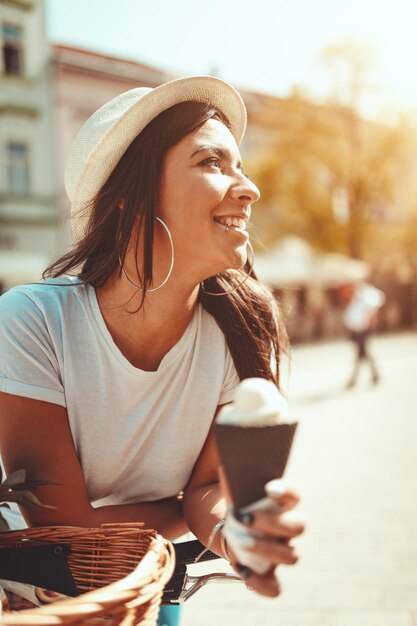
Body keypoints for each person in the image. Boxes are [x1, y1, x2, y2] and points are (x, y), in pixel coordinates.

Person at [0, 76, 304, 624]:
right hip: (42, 600)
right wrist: (195, 513)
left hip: (151, 591)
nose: (248, 188)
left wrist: (237, 532)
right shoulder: (33, 320)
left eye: (240, 165)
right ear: (129, 198)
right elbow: (57, 517)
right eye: (212, 162)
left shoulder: (240, 330)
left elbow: (209, 487)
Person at [341, 280, 386, 387]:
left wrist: (370, 318)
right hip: (357, 330)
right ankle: (374, 376)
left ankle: (354, 379)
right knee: (363, 354)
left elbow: (374, 306)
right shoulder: (358, 299)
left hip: (363, 330)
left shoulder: (368, 296)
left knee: (361, 354)